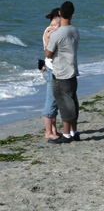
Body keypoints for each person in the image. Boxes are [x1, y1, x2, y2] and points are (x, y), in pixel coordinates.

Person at [45, 1, 80, 144]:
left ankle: (66, 135)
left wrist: (48, 37)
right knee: (72, 101)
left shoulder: (58, 34)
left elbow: (48, 53)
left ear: (60, 13)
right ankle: (74, 131)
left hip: (61, 72)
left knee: (65, 103)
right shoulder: (74, 30)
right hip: (72, 70)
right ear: (72, 15)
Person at [42, 8, 61, 141]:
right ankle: (48, 132)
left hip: (54, 69)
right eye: (54, 24)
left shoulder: (54, 30)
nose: (55, 27)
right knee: (51, 100)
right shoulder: (49, 31)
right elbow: (48, 51)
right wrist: (51, 34)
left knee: (55, 101)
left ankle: (53, 129)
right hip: (50, 69)